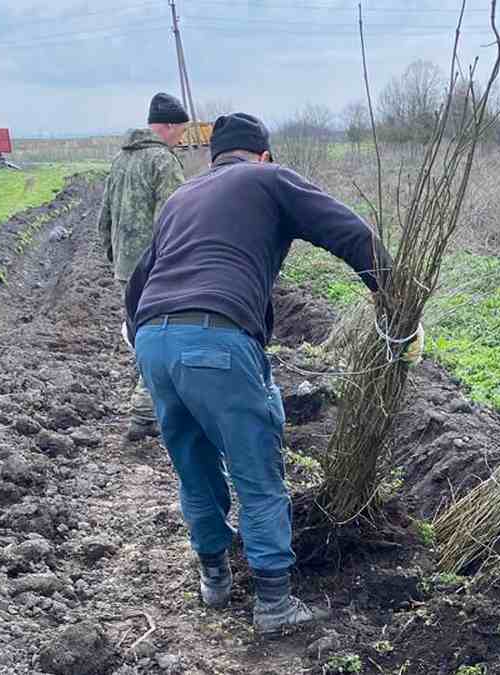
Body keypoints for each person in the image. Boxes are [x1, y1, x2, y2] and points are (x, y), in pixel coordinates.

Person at [122, 113, 424, 635]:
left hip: (152, 340)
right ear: (263, 155)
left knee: (193, 461)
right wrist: (400, 306)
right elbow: (350, 233)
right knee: (256, 470)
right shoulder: (269, 179)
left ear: (214, 157)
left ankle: (214, 579)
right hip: (216, 337)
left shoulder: (181, 198)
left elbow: (140, 279)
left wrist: (139, 331)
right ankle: (275, 605)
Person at [97, 92, 190, 444]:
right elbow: (175, 217)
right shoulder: (163, 162)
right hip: (157, 267)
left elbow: (103, 217)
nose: (181, 138)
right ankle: (144, 410)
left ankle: (149, 406)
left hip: (126, 267)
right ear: (167, 127)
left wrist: (114, 257)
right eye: (180, 132)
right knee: (159, 336)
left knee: (140, 335)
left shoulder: (121, 160)